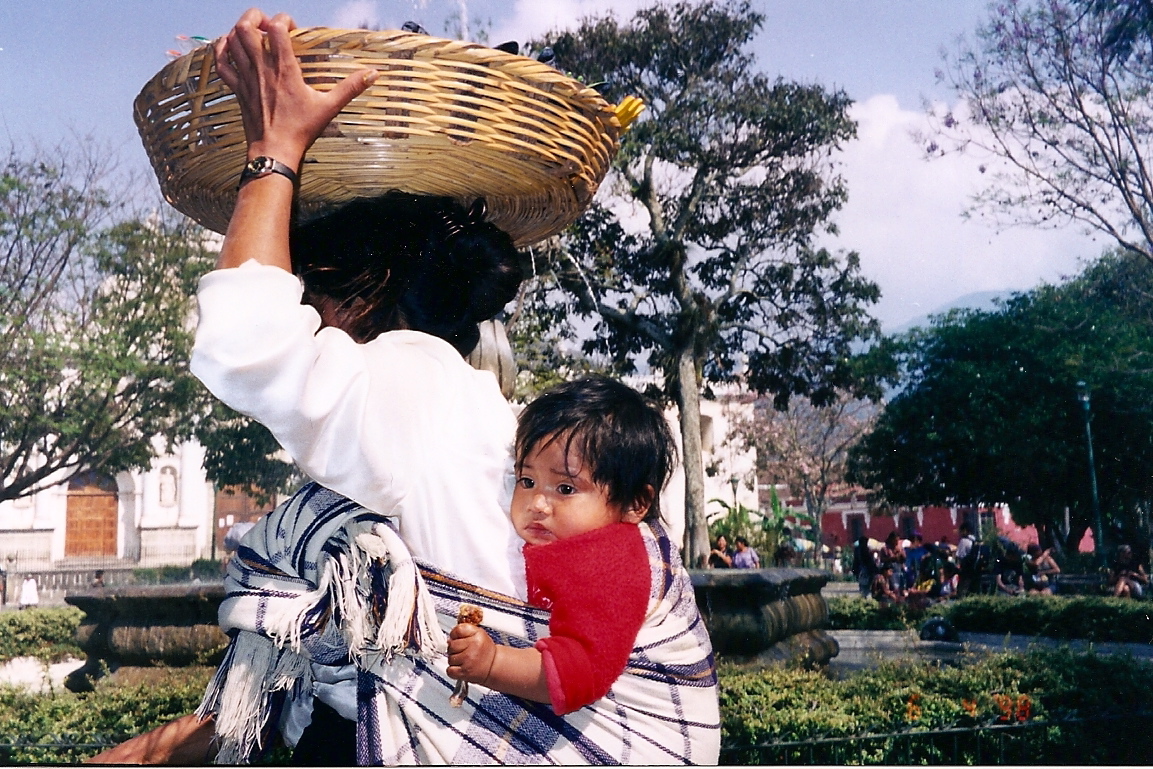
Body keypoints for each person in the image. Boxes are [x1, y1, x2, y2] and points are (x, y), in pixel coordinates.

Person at [93, 11, 718, 765]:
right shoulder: (457, 410)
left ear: (356, 296)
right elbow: (324, 681)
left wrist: (274, 153)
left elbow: (242, 341)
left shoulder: (408, 387)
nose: (300, 316)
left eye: (301, 294)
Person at [447, 377, 707, 715]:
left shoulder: (609, 559)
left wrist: (493, 662)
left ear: (634, 503)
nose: (537, 503)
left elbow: (580, 673)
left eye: (566, 489)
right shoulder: (582, 542)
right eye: (527, 481)